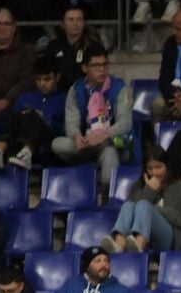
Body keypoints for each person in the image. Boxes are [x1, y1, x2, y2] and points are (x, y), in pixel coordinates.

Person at [53, 46, 133, 189]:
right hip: (87, 142)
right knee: (57, 144)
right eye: (96, 66)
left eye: (104, 65)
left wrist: (104, 135)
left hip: (114, 141)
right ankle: (90, 159)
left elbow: (125, 123)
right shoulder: (76, 90)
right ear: (85, 68)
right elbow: (71, 122)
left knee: (109, 152)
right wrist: (77, 136)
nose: (102, 70)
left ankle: (107, 195)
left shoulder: (120, 88)